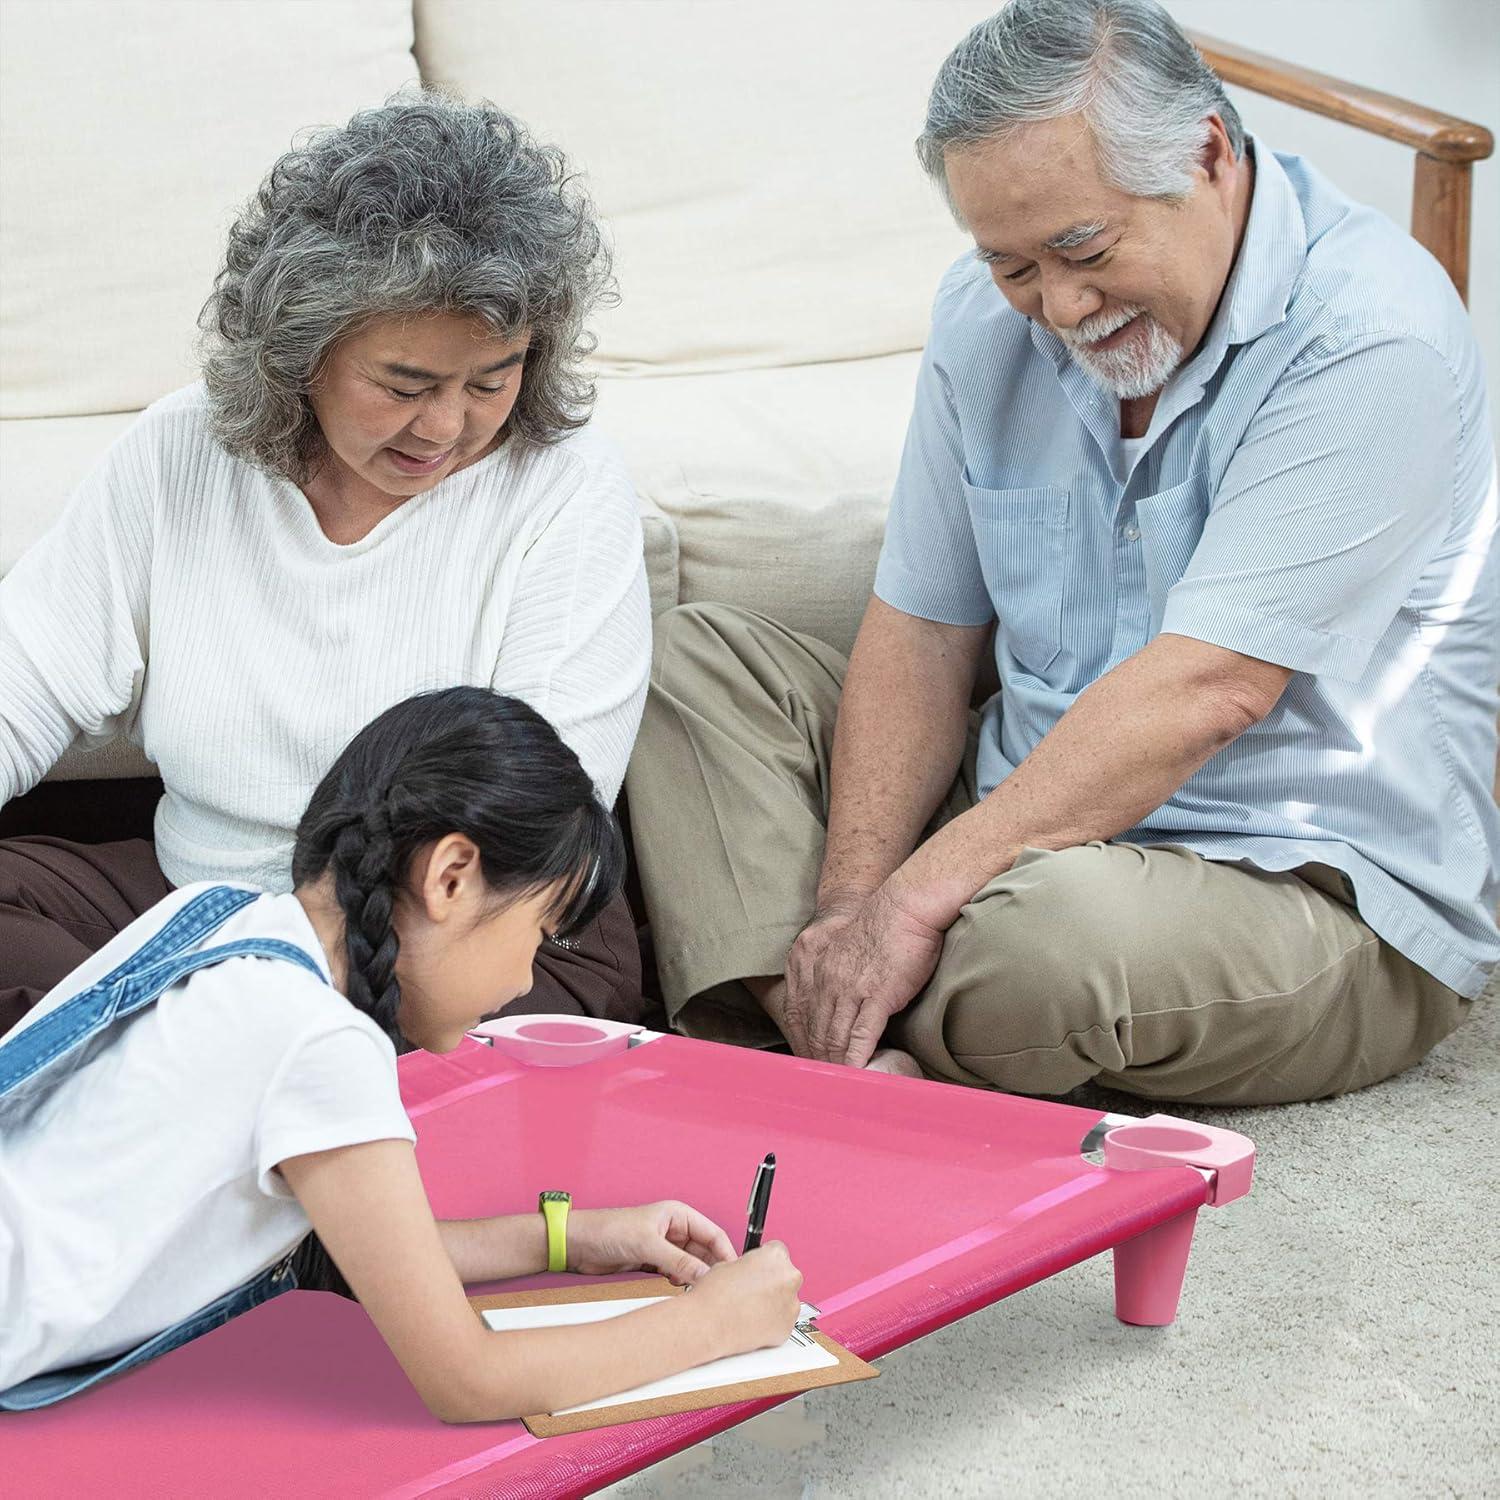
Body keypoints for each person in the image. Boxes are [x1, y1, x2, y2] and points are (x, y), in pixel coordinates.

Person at [625, 0, 1499, 1105]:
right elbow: (924, 628)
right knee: (690, 661)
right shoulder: (984, 319)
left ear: (1209, 155)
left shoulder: (1368, 339)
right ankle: (837, 1018)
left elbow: (1211, 690)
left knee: (1041, 945)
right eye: (1012, 264)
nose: (1062, 305)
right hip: (1019, 813)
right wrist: (853, 905)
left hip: (1295, 881)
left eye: (1084, 249)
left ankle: (795, 1010)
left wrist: (912, 903)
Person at [0, 90, 651, 1037]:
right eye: (405, 384)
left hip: (466, 939)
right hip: (204, 906)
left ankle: (159, 1057)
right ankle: (197, 1055)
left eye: (491, 379)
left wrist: (299, 965)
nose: (446, 427)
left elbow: (529, 824)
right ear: (301, 354)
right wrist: (255, 959)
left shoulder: (567, 485)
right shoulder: (181, 450)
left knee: (438, 1040)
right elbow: (21, 674)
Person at [0, 687, 803, 1416]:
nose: (529, 979)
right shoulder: (320, 1040)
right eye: (542, 931)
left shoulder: (220, 918)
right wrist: (714, 1323)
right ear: (451, 876)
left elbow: (367, 1257)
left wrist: (576, 1238)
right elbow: (468, 1379)